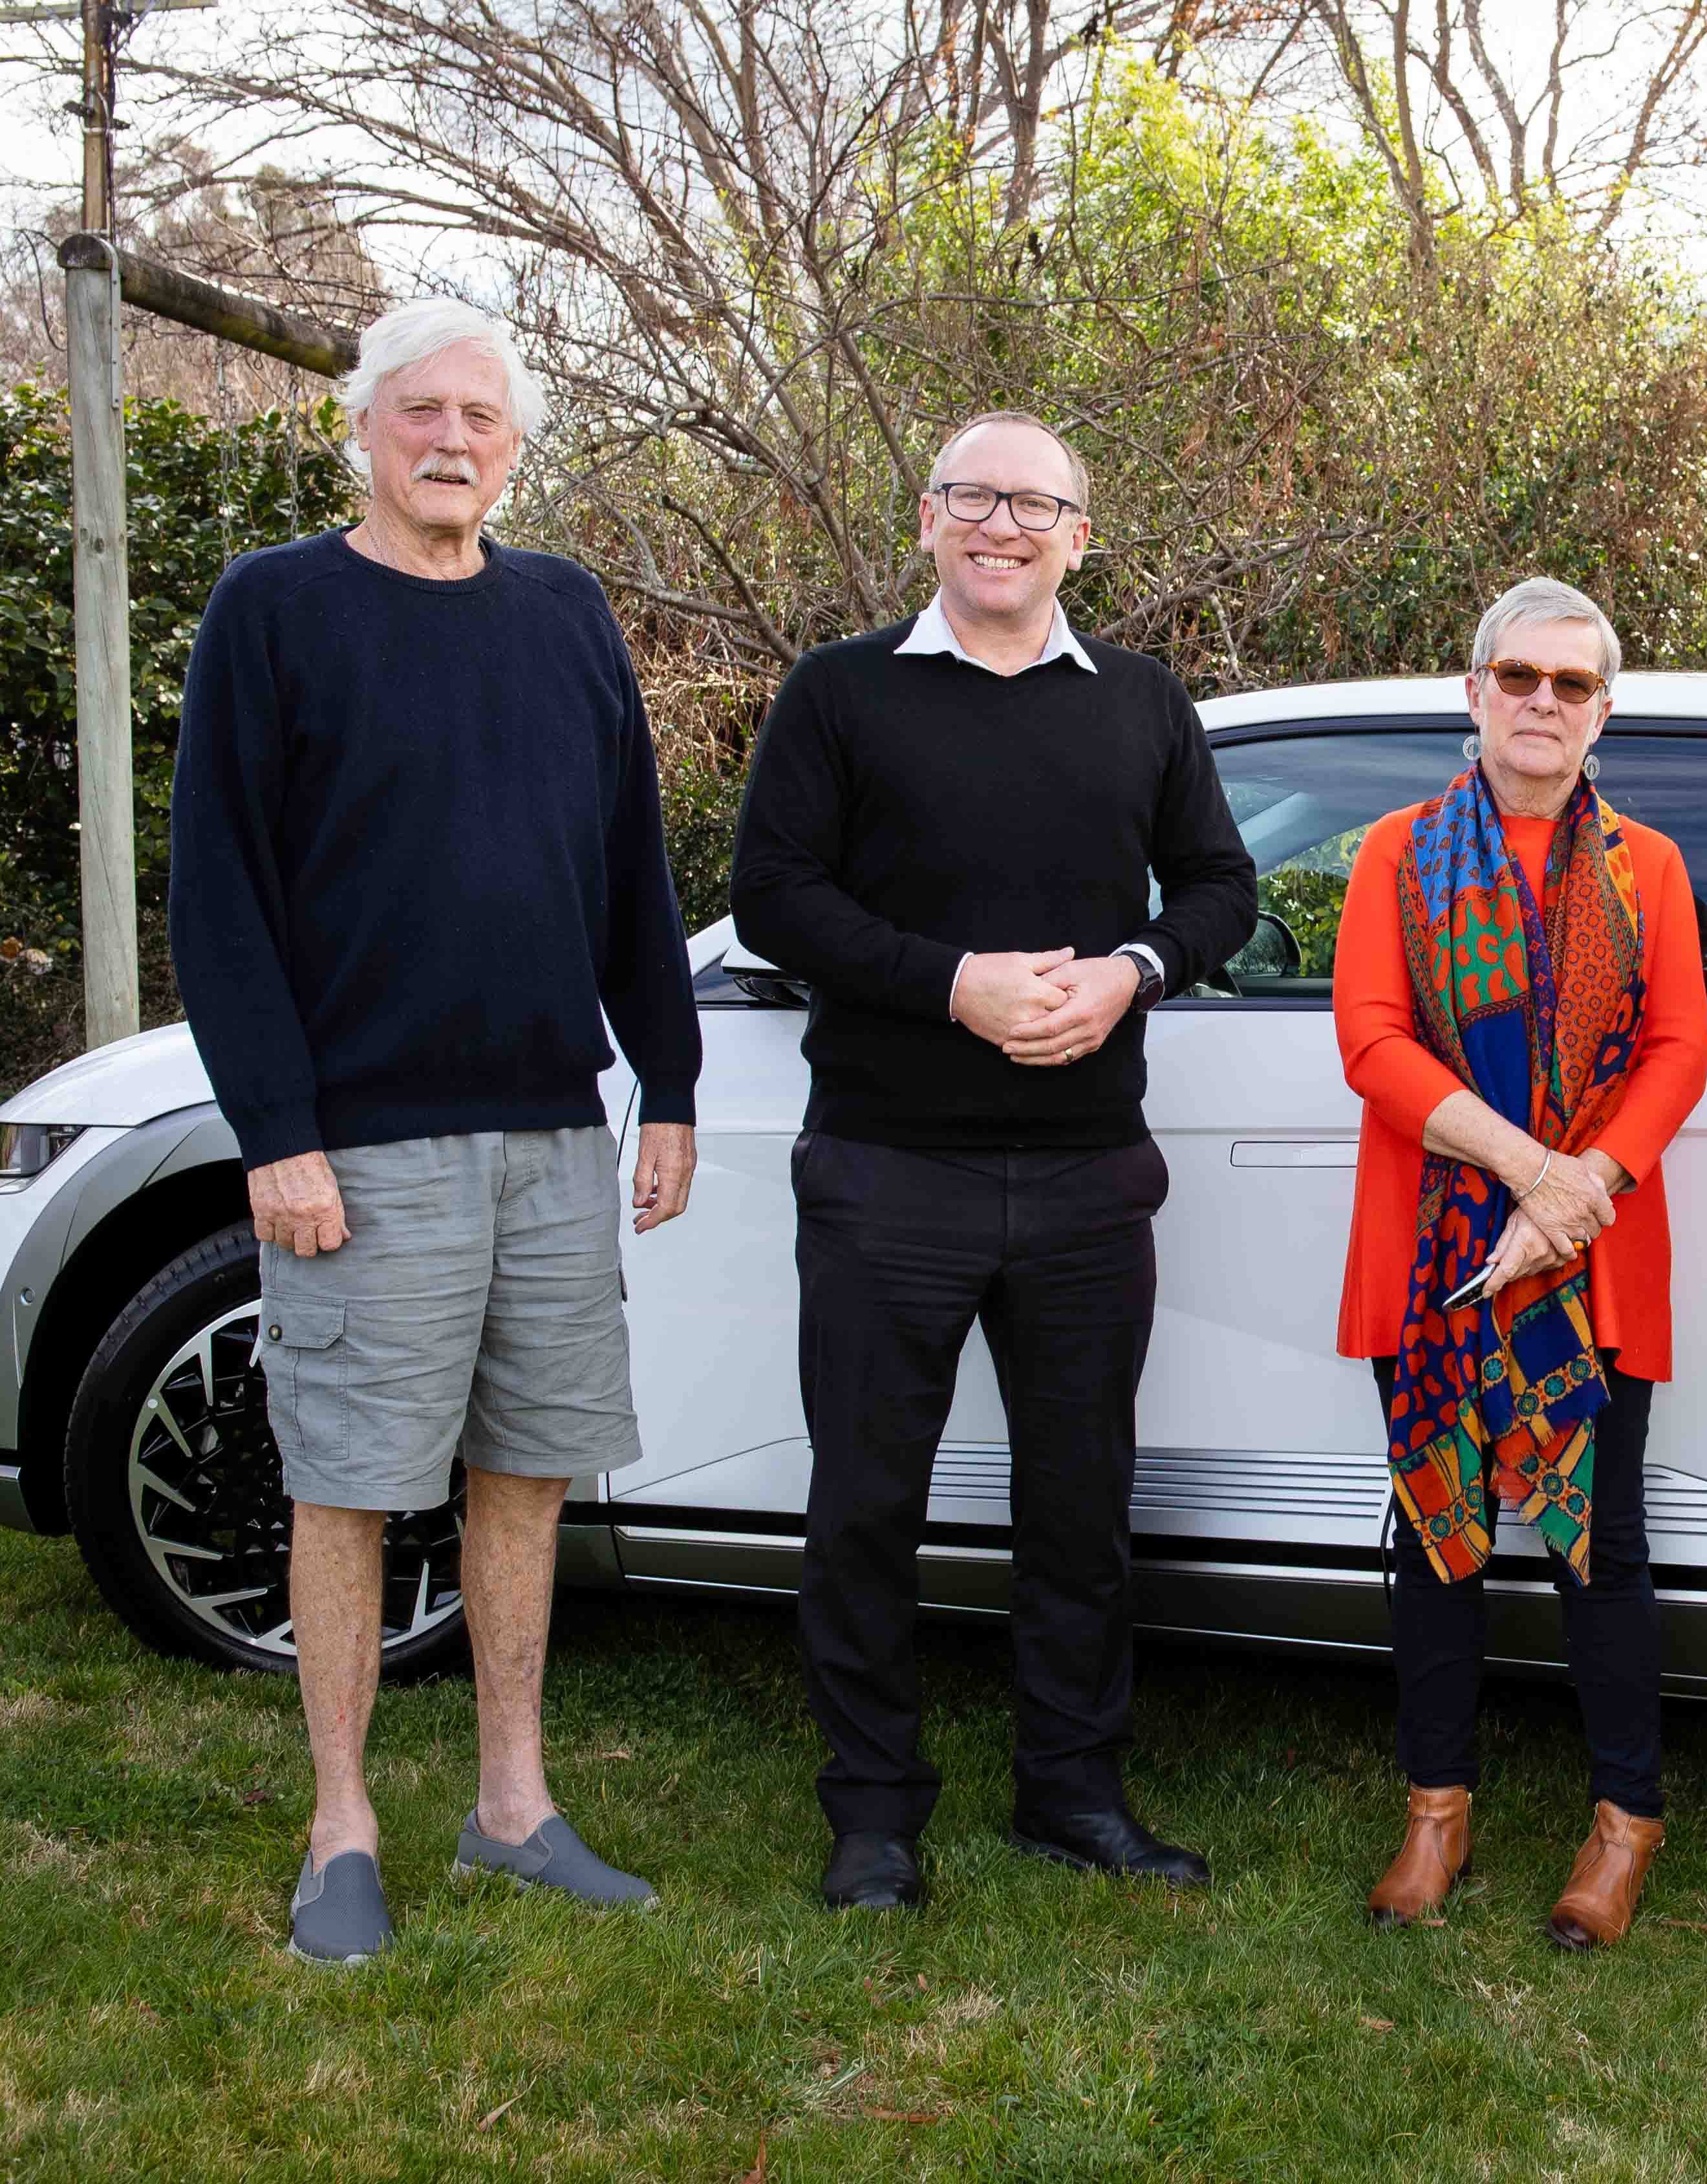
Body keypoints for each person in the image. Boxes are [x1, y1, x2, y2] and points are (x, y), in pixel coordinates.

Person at [169, 297, 702, 1967]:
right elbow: (218, 893)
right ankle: (341, 1828)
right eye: (421, 410)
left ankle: (512, 1810)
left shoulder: (566, 612)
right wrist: (277, 1129)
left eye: (481, 414)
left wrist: (670, 1080)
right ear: (364, 431)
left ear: (517, 445)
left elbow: (632, 864)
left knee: (527, 1474)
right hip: (364, 1149)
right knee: (348, 1484)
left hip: (552, 1134)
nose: (451, 439)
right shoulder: (274, 607)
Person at [729, 411, 1256, 1914]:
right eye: (972, 496)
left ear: (1078, 538)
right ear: (927, 519)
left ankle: (1071, 1796)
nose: (1001, 525)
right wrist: (949, 982)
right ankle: (872, 1816)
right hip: (886, 1169)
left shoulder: (1143, 704)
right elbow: (772, 896)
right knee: (866, 1508)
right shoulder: (839, 694)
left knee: (1080, 1509)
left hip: (1090, 1176)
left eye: (1034, 505)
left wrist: (1135, 971)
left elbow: (1220, 887)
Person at [1327, 577, 1707, 1949]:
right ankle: (1435, 1812)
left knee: (1599, 1551)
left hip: (1589, 1259)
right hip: (1436, 1256)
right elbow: (1372, 1040)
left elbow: (1676, 1051)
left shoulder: (1646, 866)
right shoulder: (1396, 854)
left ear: (1603, 711)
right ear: (1474, 690)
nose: (1542, 702)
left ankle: (1624, 1822)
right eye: (1519, 676)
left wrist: (1576, 1190)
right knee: (1438, 1537)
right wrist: (1526, 1168)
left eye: (1572, 683)